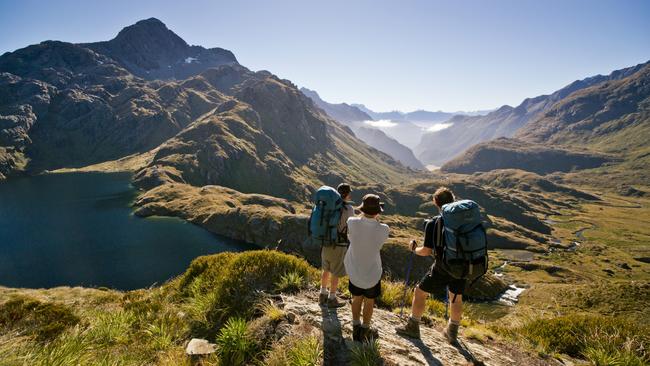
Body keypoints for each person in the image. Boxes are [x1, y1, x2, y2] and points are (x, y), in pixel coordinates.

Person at [396, 187, 464, 344]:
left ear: (435, 202)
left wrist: (413, 249)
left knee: (420, 292)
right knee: (456, 296)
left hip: (443, 266)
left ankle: (413, 327)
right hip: (463, 265)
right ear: (453, 200)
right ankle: (452, 332)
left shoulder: (434, 223)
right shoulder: (462, 221)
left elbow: (426, 251)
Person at [344, 194, 389, 342]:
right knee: (369, 301)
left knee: (357, 298)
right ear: (378, 212)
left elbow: (353, 230)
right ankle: (365, 328)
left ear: (362, 209)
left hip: (355, 271)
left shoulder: (352, 222)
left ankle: (356, 326)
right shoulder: (384, 229)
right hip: (372, 273)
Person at [319, 183, 355, 308]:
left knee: (326, 269)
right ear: (347, 194)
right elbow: (351, 228)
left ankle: (322, 294)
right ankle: (332, 298)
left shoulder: (329, 206)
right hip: (339, 244)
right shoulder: (349, 209)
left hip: (326, 241)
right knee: (336, 271)